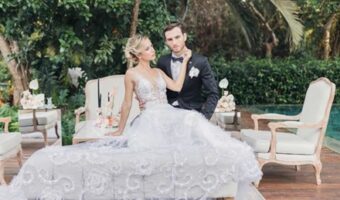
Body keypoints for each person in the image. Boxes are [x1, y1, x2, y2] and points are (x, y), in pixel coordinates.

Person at [0, 35, 261, 200]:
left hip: (168, 114)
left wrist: (188, 59)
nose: (152, 50)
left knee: (192, 121)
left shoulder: (159, 71)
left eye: (151, 47)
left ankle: (231, 152)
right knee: (148, 148)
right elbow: (126, 104)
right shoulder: (131, 75)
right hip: (149, 118)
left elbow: (178, 87)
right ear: (137, 54)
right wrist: (120, 130)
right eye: (147, 48)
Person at [157, 22, 219, 119]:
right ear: (166, 42)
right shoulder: (162, 62)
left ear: (184, 36)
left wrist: (204, 118)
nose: (174, 42)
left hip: (192, 114)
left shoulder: (200, 62)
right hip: (168, 115)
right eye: (170, 39)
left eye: (177, 37)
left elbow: (213, 93)